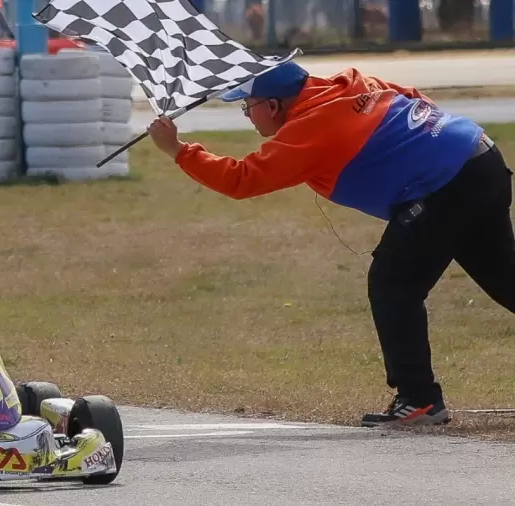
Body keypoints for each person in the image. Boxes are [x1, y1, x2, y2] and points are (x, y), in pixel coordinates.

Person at [146, 59, 514, 428]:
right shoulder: (349, 81)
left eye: (248, 106)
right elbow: (414, 99)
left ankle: (419, 401)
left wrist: (178, 149)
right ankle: (419, 400)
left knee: (393, 284)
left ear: (273, 105)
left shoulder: (310, 129)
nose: (247, 115)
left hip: (448, 184)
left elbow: (241, 179)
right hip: (479, 154)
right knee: (504, 279)